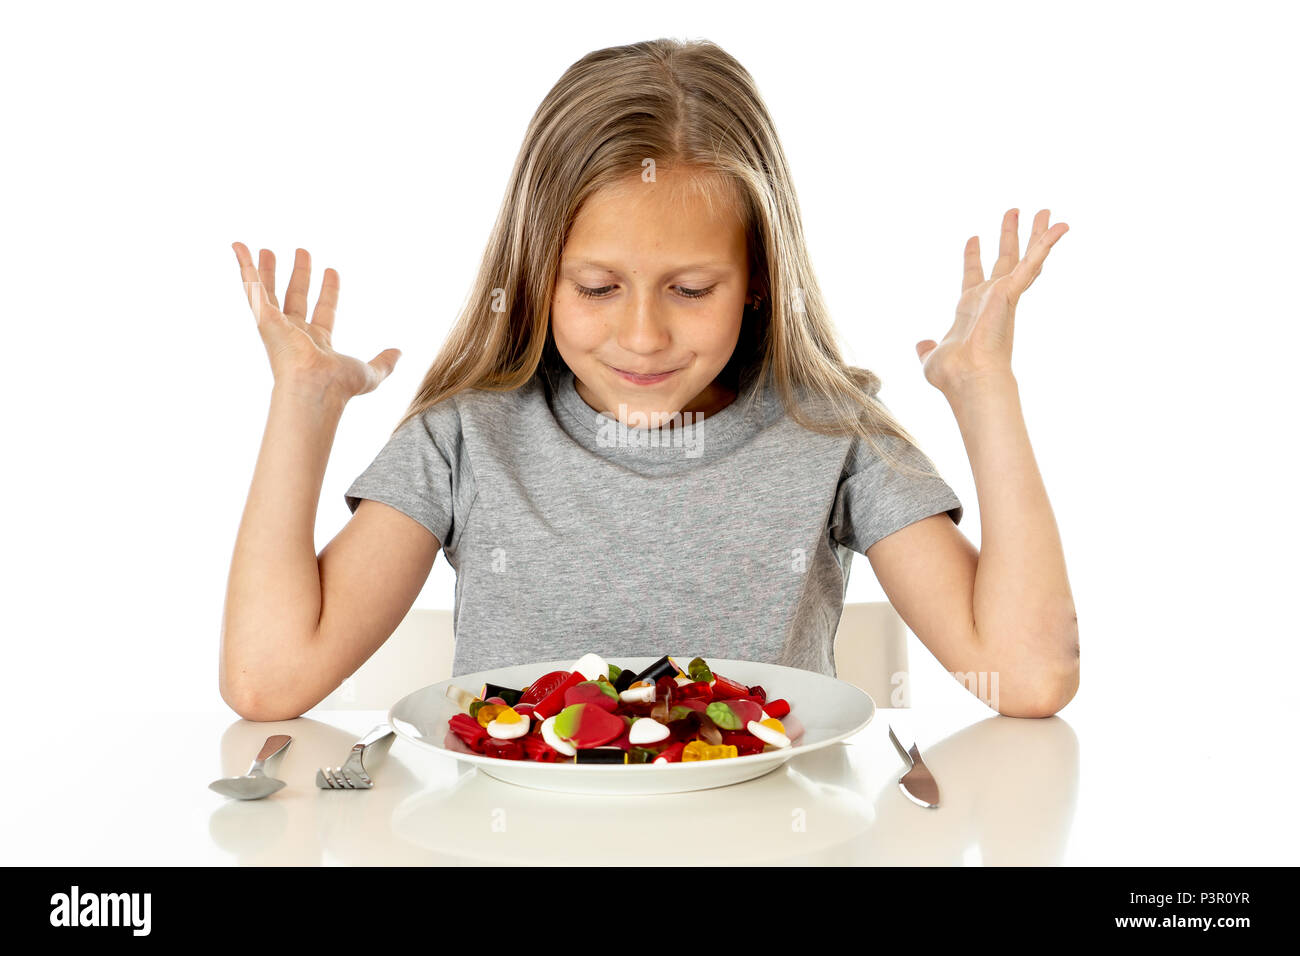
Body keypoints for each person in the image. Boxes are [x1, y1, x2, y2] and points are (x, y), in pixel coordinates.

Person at [220, 38, 1078, 722]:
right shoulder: (468, 435)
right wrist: (305, 404)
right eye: (596, 288)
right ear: (535, 277)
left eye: (692, 289)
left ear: (757, 284)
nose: (642, 334)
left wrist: (983, 389)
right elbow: (266, 681)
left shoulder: (831, 434)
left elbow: (1029, 678)